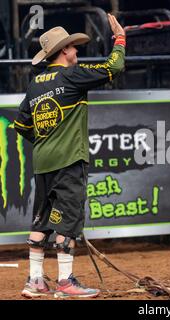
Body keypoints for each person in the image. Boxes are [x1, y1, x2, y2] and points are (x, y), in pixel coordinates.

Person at [14, 14, 126, 298]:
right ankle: (65, 282)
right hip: (68, 161)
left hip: (43, 163)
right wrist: (120, 39)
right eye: (74, 47)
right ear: (64, 51)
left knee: (41, 220)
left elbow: (22, 125)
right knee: (68, 221)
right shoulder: (71, 75)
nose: (77, 51)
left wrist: (45, 141)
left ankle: (35, 280)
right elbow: (115, 66)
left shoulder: (36, 83)